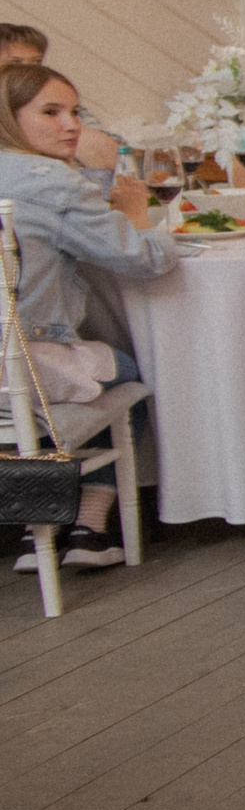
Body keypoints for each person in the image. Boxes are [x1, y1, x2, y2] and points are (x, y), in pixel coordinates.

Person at [0, 63, 177, 568]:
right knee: (129, 381)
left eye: (74, 111)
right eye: (51, 112)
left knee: (86, 368)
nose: (72, 125)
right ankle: (87, 528)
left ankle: (41, 529)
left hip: (10, 366)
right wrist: (141, 217)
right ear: (9, 119)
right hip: (28, 362)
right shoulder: (48, 179)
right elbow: (138, 258)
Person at [1, 24, 120, 172]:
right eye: (15, 64)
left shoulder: (61, 104)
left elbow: (118, 157)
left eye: (37, 62)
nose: (32, 71)